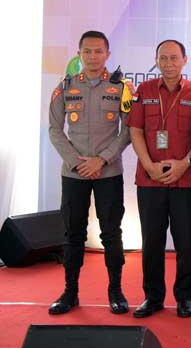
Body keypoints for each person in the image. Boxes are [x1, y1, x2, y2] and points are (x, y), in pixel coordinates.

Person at [48, 30, 133, 315]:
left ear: (107, 54)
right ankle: (70, 292)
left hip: (108, 173)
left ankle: (116, 292)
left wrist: (102, 160)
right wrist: (77, 161)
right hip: (74, 174)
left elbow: (128, 131)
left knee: (112, 233)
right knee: (73, 233)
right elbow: (54, 131)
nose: (93, 56)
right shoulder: (65, 86)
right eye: (87, 51)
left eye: (99, 51)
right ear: (79, 54)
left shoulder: (121, 88)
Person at [128, 40, 191, 319]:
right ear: (156, 60)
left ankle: (185, 298)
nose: (169, 63)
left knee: (186, 241)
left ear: (185, 60)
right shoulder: (144, 90)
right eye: (163, 58)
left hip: (185, 179)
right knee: (152, 241)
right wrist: (148, 165)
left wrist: (185, 163)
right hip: (149, 179)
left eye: (174, 58)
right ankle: (152, 297)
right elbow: (135, 130)